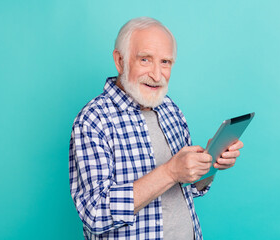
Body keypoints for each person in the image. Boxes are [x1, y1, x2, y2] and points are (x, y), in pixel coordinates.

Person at [69, 17, 244, 240]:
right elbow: (95, 213)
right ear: (120, 61)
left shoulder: (170, 108)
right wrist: (169, 172)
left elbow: (187, 188)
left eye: (165, 62)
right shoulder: (93, 120)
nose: (157, 74)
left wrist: (209, 164)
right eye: (145, 60)